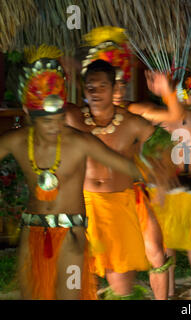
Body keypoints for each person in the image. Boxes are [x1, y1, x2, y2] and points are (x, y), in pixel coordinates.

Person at [2, 45, 156, 300]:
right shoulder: (36, 133)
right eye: (90, 87)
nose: (52, 125)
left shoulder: (96, 134)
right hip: (49, 224)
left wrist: (152, 175)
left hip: (92, 218)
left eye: (101, 86)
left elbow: (140, 159)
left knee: (99, 285)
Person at [65, 58, 180, 299]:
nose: (95, 92)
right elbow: (40, 110)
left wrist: (162, 173)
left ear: (114, 87)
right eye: (90, 87)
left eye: (102, 87)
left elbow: (165, 142)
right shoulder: (74, 118)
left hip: (127, 200)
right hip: (87, 203)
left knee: (150, 256)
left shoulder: (131, 122)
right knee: (92, 270)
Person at [130, 72, 191, 297]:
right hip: (165, 184)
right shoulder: (162, 118)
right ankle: (168, 287)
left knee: (190, 237)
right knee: (166, 238)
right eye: (189, 92)